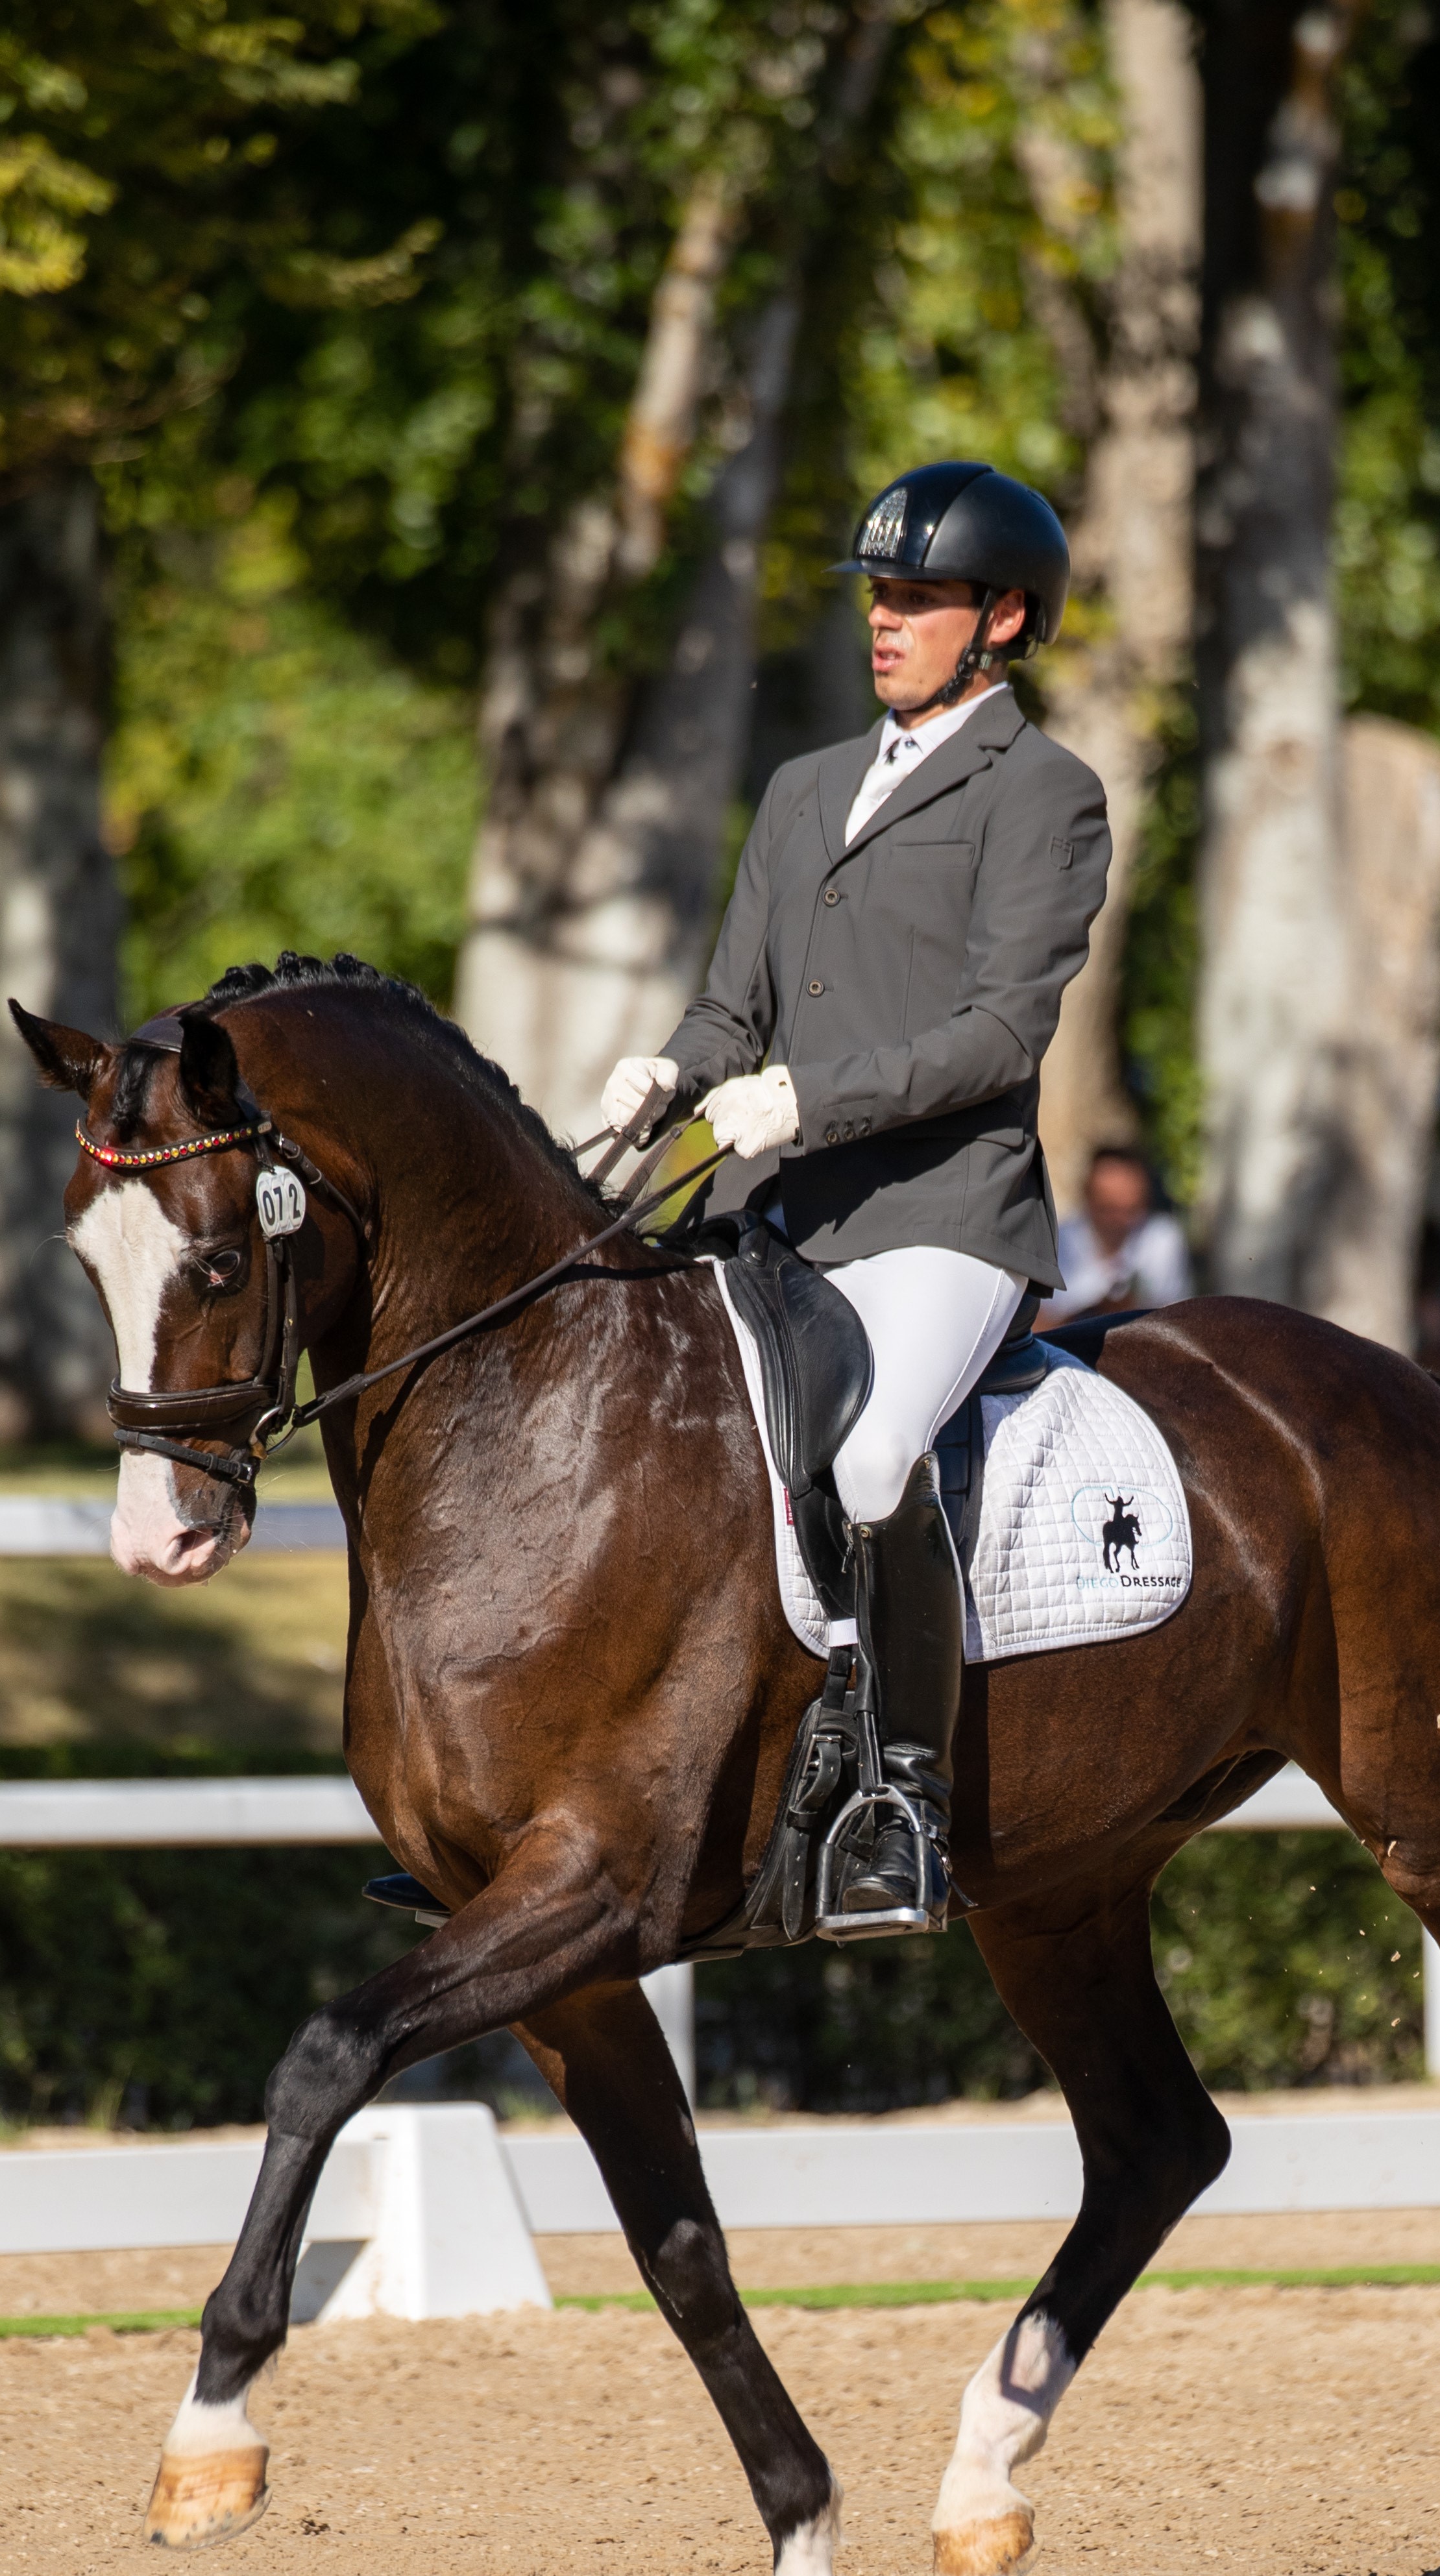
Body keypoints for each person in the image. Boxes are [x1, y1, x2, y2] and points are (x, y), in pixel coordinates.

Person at [598, 460, 1110, 1927]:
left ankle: (902, 1803)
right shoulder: (802, 786)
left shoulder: (1043, 794)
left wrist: (811, 1098)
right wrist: (665, 1071)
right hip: (778, 1211)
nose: (882, 621)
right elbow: (732, 1009)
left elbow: (1001, 1033)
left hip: (942, 1214)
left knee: (877, 1459)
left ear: (1000, 617)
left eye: (916, 600)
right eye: (876, 596)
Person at [1036, 1144, 1191, 1326]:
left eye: (1131, 1209)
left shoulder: (1162, 1238)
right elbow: (1038, 1326)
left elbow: (1179, 1319)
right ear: (1087, 1196)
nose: (1119, 1220)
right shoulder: (1057, 1241)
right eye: (1108, 1208)